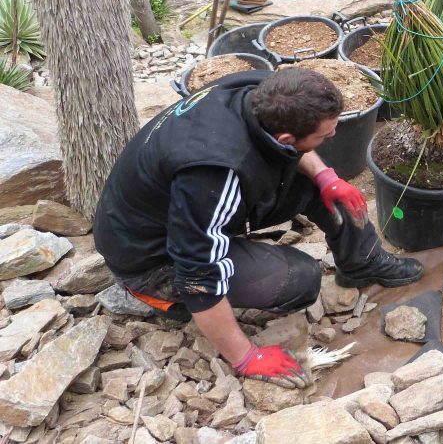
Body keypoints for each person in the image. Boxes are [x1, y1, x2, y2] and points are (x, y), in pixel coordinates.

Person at [93, 68, 423, 388]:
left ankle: (361, 263)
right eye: (325, 135)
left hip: (179, 208)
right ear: (285, 137)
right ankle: (163, 300)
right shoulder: (215, 173)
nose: (333, 136)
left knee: (330, 188)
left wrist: (327, 178)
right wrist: (245, 356)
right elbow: (197, 275)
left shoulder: (257, 89)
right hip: (150, 256)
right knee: (302, 279)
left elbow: (296, 153)